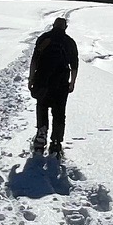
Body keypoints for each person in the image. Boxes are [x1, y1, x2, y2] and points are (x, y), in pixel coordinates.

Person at [28, 15, 79, 155]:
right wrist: (72, 82)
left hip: (43, 80)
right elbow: (74, 65)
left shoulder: (44, 38)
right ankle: (56, 142)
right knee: (59, 111)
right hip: (61, 82)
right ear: (65, 28)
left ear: (53, 25)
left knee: (42, 106)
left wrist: (31, 78)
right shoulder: (69, 42)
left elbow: (34, 60)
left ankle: (41, 135)